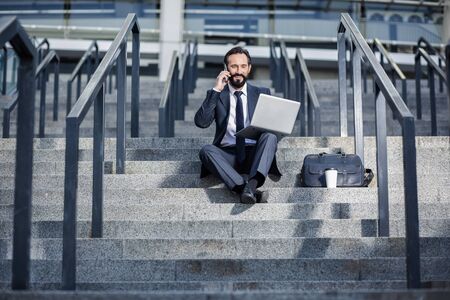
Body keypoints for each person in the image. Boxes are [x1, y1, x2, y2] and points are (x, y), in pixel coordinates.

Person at [194, 46, 281, 204]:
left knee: (270, 136)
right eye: (234, 66)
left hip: (255, 154)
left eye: (242, 66)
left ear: (249, 68)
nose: (238, 70)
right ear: (226, 68)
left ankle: (251, 185)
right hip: (228, 155)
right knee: (206, 151)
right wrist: (217, 89)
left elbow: (272, 128)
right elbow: (201, 122)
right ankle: (246, 190)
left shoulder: (262, 92)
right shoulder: (217, 94)